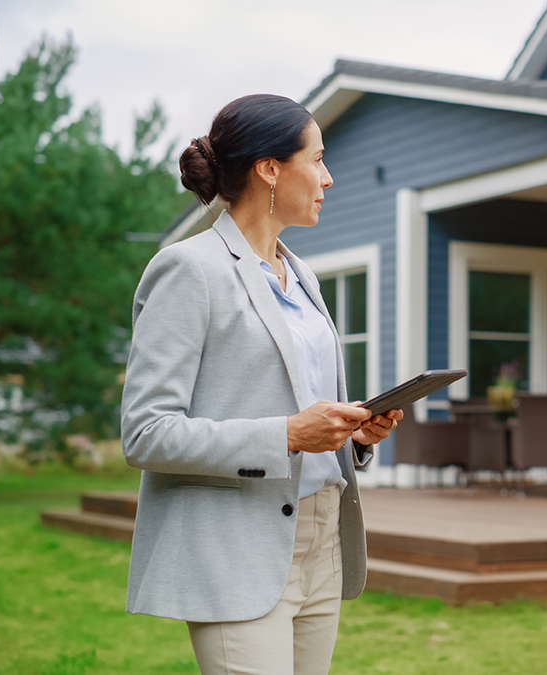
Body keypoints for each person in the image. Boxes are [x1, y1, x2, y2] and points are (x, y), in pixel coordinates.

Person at [120, 93, 402, 675]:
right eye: (317, 159)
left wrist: (355, 432)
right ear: (269, 168)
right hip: (236, 548)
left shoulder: (300, 276)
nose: (328, 176)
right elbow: (146, 433)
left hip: (322, 534)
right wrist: (289, 436)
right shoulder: (188, 269)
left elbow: (294, 405)